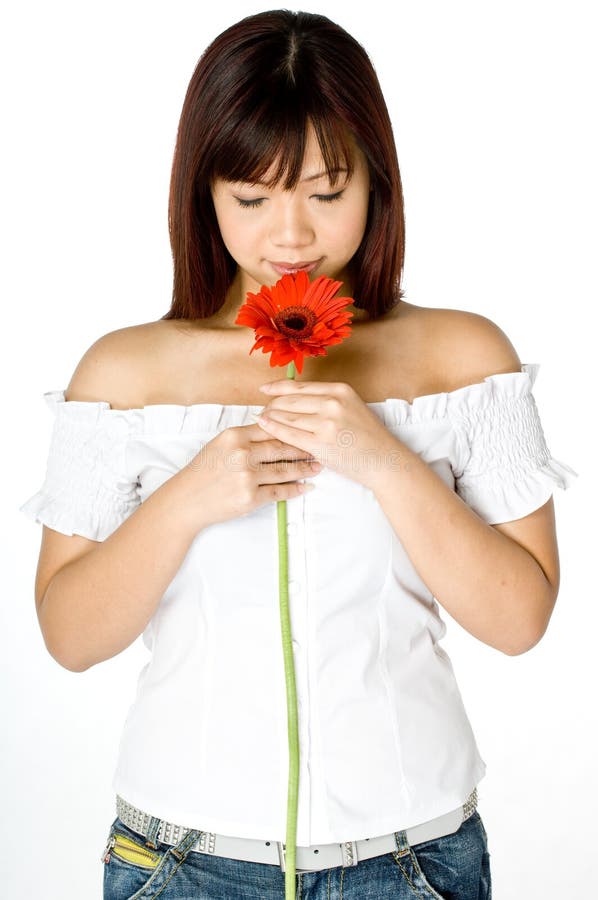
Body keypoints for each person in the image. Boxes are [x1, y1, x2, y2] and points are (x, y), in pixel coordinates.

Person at [19, 10, 578, 900]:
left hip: (412, 863)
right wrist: (190, 495)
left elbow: (520, 621)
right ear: (201, 192)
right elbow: (69, 638)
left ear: (377, 184)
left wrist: (385, 461)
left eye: (327, 192)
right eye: (251, 197)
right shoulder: (124, 371)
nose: (290, 236)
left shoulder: (466, 358)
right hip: (179, 865)